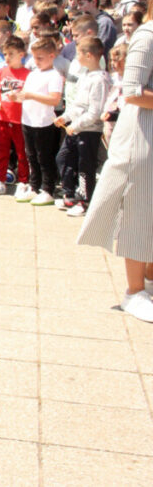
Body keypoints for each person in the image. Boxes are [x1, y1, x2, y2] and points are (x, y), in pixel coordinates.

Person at [78, 21, 153, 321]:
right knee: (140, 212)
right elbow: (133, 91)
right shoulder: (147, 36)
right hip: (143, 136)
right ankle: (134, 291)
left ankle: (148, 282)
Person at [53, 36, 110, 216]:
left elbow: (94, 111)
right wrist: (65, 117)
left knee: (86, 167)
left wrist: (76, 125)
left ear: (90, 55)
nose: (76, 57)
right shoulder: (85, 75)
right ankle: (71, 194)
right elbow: (78, 104)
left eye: (79, 53)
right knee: (63, 158)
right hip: (77, 128)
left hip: (89, 131)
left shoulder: (100, 79)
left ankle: (86, 202)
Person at [8, 37, 63, 206]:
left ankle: (48, 189)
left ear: (52, 56)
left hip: (43, 122)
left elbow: (54, 100)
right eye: (34, 57)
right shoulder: (32, 74)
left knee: (43, 156)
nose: (36, 61)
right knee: (31, 155)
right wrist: (15, 97)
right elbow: (25, 95)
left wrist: (30, 96)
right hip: (28, 119)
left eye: (40, 58)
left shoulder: (55, 75)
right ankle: (34, 186)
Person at [0, 35, 30, 197]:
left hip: (20, 119)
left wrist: (19, 97)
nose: (7, 58)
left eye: (11, 54)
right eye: (5, 54)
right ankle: (0, 180)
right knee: (1, 150)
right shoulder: (1, 73)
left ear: (21, 54)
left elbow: (29, 96)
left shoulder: (28, 74)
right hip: (2, 118)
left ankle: (24, 181)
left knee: (21, 152)